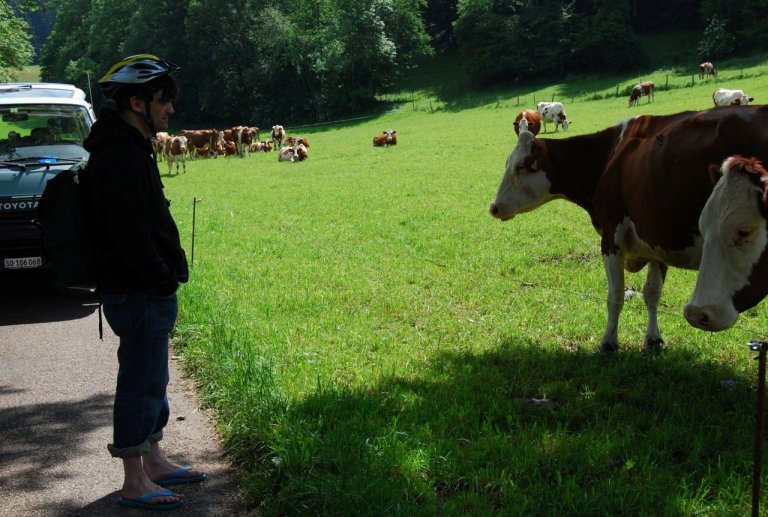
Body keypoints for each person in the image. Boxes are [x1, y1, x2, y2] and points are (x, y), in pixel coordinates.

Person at [83, 54, 206, 511]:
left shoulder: (131, 147)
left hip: (147, 288)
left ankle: (154, 458)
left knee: (155, 377)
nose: (170, 111)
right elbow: (129, 234)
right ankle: (134, 480)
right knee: (138, 381)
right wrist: (159, 277)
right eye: (162, 101)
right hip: (138, 291)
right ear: (137, 102)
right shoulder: (118, 156)